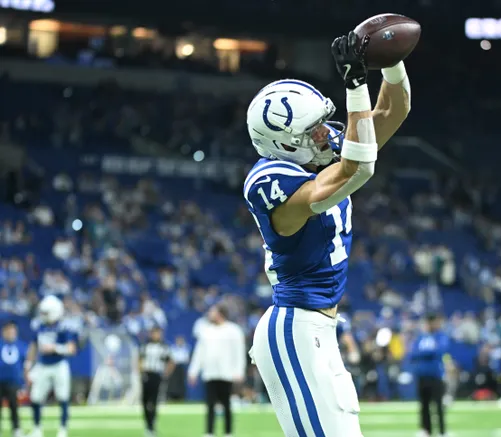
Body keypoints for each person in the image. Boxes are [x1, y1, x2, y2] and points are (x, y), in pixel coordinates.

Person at [246, 30, 411, 437]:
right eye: (313, 130)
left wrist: (388, 59)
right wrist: (355, 84)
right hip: (295, 329)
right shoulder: (270, 182)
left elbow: (395, 110)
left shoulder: (314, 157)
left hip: (318, 330)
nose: (325, 134)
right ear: (284, 145)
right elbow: (359, 168)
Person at [188, 304, 246, 437]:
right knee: (210, 405)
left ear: (220, 314)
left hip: (227, 373)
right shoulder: (206, 331)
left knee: (226, 404)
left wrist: (239, 371)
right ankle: (209, 432)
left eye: (212, 312)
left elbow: (239, 352)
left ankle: (228, 432)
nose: (210, 314)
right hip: (210, 373)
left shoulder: (233, 330)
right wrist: (193, 371)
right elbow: (199, 353)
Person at [25, 295, 77, 437]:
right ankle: (37, 429)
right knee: (35, 397)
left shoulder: (64, 326)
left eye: (46, 312)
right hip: (43, 364)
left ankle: (63, 429)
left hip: (59, 364)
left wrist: (54, 348)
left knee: (63, 397)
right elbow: (34, 346)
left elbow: (72, 349)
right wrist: (28, 364)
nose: (43, 315)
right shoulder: (39, 325)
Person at [410, 314, 448, 437]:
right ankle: (426, 430)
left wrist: (424, 352)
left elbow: (440, 350)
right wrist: (427, 352)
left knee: (438, 405)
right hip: (422, 376)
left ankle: (442, 431)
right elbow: (413, 353)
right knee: (424, 405)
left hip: (436, 375)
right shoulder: (420, 337)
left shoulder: (440, 336)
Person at [139, 326, 174, 437]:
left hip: (157, 375)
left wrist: (166, 374)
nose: (157, 335)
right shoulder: (145, 346)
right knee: (144, 400)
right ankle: (148, 422)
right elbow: (139, 359)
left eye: (159, 333)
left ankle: (151, 425)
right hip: (146, 374)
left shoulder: (164, 346)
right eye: (155, 333)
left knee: (153, 401)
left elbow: (171, 362)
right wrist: (141, 372)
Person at [0, 320, 27, 437]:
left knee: (14, 406)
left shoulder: (21, 345)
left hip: (13, 381)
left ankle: (16, 429)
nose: (11, 332)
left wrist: (24, 382)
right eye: (8, 330)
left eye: (13, 330)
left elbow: (25, 364)